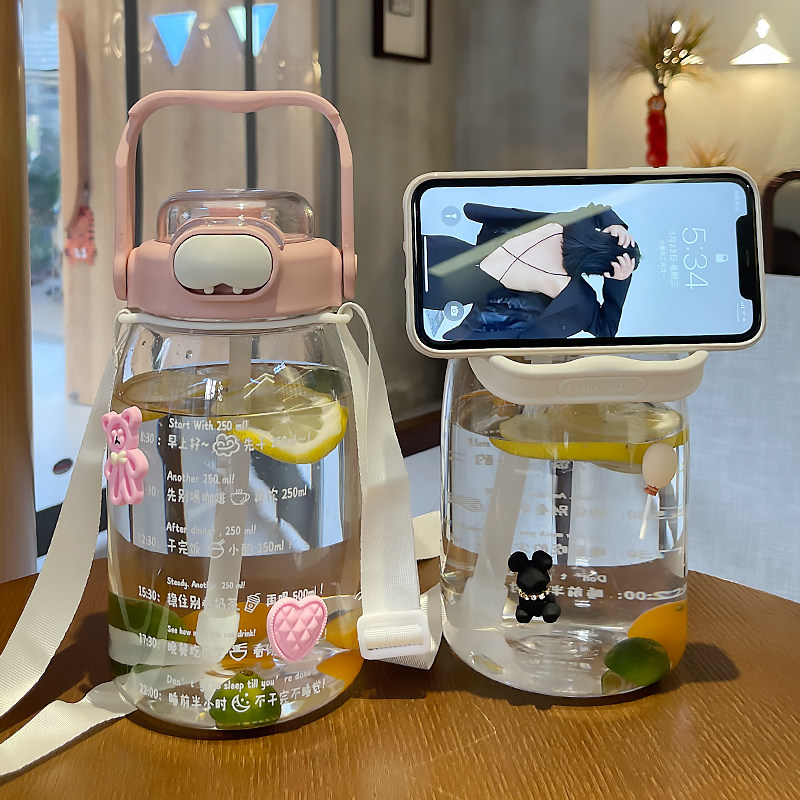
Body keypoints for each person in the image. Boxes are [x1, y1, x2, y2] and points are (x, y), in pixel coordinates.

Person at [424, 203, 641, 341]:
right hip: (443, 293)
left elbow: (599, 209)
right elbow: (606, 330)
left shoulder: (566, 223)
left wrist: (616, 225)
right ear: (605, 272)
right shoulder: (571, 296)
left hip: (440, 249)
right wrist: (620, 282)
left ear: (606, 234)